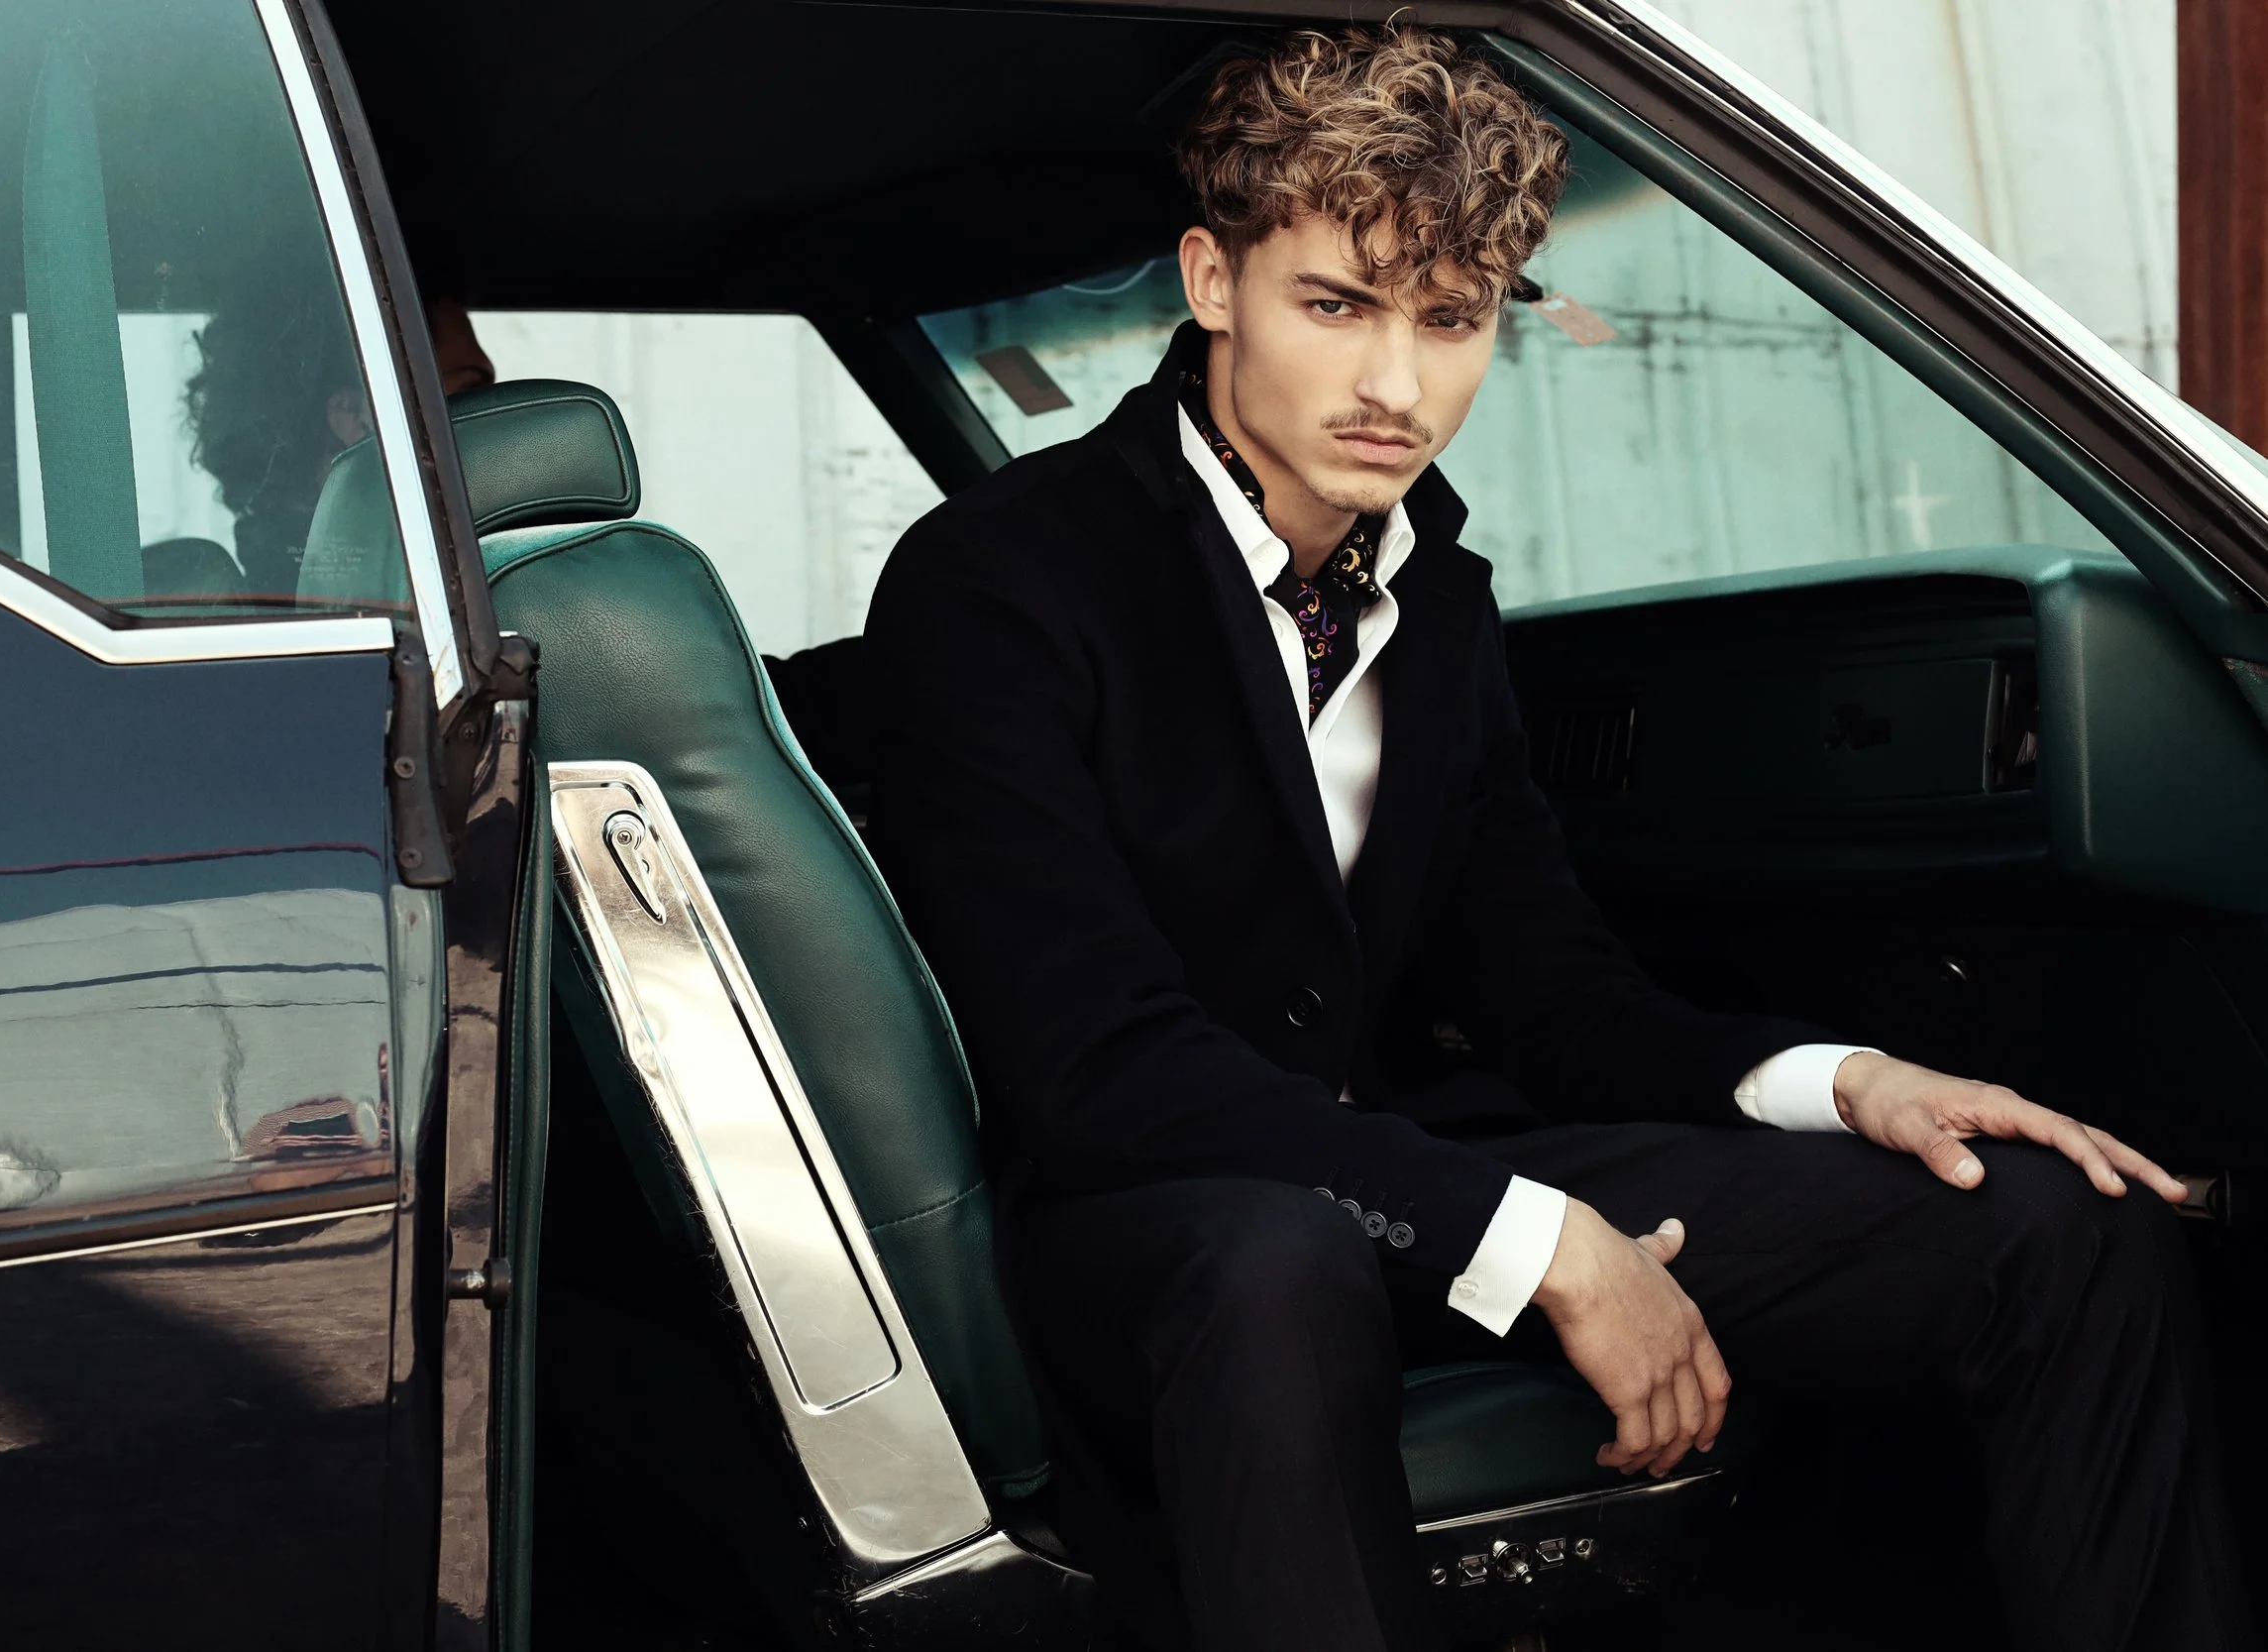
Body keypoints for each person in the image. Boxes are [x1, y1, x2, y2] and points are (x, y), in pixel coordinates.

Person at [863, 25, 2245, 1652]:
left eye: (1450, 319)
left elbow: (1558, 998)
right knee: (1275, 1261)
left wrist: (1848, 1078)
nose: (1396, 387)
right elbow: (1097, 1067)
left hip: (1408, 1174)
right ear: (1212, 281)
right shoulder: (999, 580)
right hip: (1149, 1216)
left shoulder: (1436, 602)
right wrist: (1544, 1246)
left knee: (2048, 1223)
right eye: (1338, 305)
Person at [185, 284, 494, 597]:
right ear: (352, 416)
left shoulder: (277, 592)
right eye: (471, 389)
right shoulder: (413, 596)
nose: (498, 410)